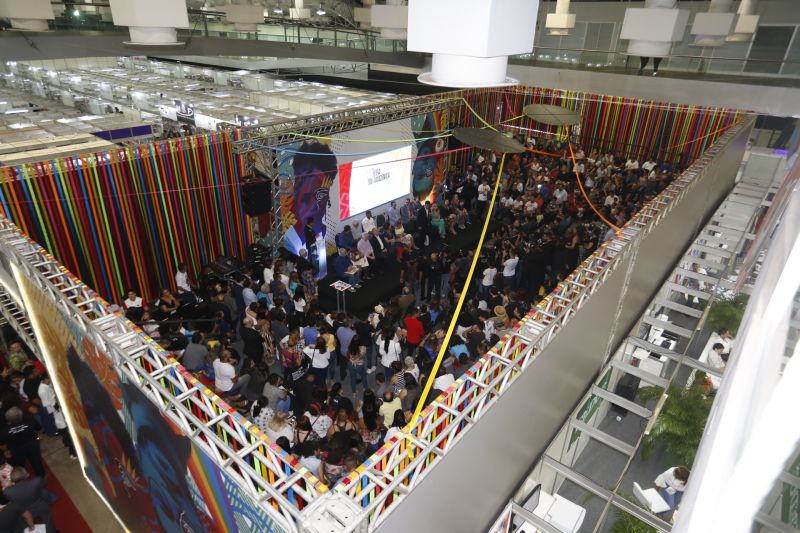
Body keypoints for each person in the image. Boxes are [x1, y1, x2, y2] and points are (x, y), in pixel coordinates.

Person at [3, 467, 54, 532]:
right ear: (27, 475)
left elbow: (11, 500)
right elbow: (44, 484)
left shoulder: (7, 492)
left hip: (25, 511)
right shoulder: (37, 480)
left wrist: (9, 486)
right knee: (48, 522)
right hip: (41, 506)